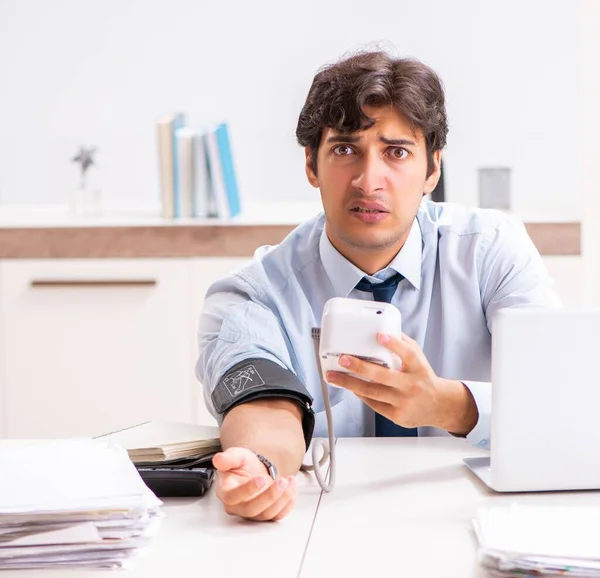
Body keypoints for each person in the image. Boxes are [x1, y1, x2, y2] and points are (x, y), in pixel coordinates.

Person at [195, 49, 562, 522]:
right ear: (311, 164)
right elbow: (265, 407)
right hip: (326, 523)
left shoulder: (491, 251)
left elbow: (556, 402)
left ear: (433, 169)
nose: (370, 181)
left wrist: (447, 405)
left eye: (397, 152)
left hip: (476, 516)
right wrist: (261, 469)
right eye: (345, 150)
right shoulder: (252, 295)